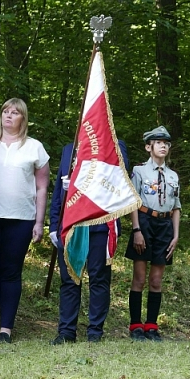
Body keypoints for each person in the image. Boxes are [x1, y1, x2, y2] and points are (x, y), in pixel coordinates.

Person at [0, 98, 50, 344]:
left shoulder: (34, 147)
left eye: (15, 112)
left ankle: (6, 329)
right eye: (5, 111)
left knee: (10, 272)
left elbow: (41, 187)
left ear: (23, 118)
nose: (9, 115)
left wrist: (39, 222)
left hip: (21, 218)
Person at [48, 139, 129, 344]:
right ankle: (66, 331)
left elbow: (121, 177)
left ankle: (95, 332)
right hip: (72, 224)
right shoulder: (70, 148)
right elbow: (59, 188)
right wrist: (54, 224)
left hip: (100, 223)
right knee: (69, 279)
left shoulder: (114, 145)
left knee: (99, 279)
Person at [126, 126, 182, 342]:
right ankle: (135, 325)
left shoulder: (173, 175)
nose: (163, 146)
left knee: (157, 279)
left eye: (166, 143)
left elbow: (176, 206)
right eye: (159, 143)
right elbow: (133, 201)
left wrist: (175, 235)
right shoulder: (140, 171)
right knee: (139, 277)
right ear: (149, 147)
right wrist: (137, 229)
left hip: (165, 225)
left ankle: (151, 325)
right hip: (145, 222)